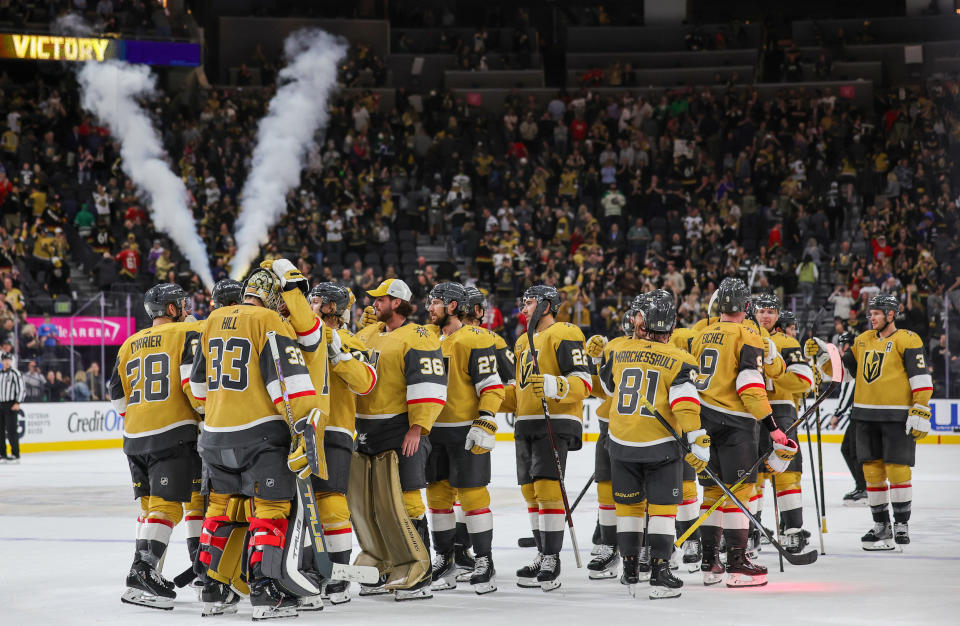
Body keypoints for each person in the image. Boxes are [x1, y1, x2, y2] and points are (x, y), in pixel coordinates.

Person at [189, 268, 327, 619]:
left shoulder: (213, 319)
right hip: (261, 438)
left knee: (221, 510)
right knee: (271, 511)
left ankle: (213, 588)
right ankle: (266, 590)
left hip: (215, 437)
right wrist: (303, 427)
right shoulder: (269, 320)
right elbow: (288, 383)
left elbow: (198, 388)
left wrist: (221, 412)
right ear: (273, 297)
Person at [599, 290, 706, 599]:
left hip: (620, 441)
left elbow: (607, 386)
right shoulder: (679, 358)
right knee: (661, 510)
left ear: (640, 321)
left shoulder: (618, 350)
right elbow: (685, 403)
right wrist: (697, 438)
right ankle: (659, 571)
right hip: (660, 445)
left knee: (629, 508)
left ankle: (630, 568)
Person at [806, 293, 933, 550]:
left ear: (890, 314)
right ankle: (881, 526)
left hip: (896, 416)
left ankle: (901, 524)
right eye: (870, 313)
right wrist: (822, 357)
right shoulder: (863, 340)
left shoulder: (908, 339)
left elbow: (920, 376)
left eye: (876, 313)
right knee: (872, 473)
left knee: (898, 471)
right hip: (864, 416)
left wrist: (920, 408)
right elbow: (845, 372)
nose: (871, 317)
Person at [109, 284, 203, 610]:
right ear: (173, 308)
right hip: (172, 432)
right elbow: (195, 387)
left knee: (150, 510)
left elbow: (117, 397)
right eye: (182, 304)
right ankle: (144, 572)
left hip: (134, 436)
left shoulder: (128, 343)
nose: (186, 308)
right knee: (169, 508)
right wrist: (204, 415)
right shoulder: (188, 334)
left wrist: (139, 415)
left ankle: (143, 573)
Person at [690, 277, 788, 587]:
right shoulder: (748, 335)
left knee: (713, 492)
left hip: (704, 421)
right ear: (747, 307)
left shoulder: (701, 335)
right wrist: (772, 427)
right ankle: (737, 564)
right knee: (740, 491)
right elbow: (749, 387)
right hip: (735, 423)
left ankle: (709, 561)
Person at [354, 278, 447, 601]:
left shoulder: (417, 337)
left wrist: (418, 427)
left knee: (406, 499)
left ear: (397, 302)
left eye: (380, 299)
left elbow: (431, 383)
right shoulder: (367, 335)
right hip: (365, 428)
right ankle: (385, 564)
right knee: (374, 503)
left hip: (400, 427)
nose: (374, 303)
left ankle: (418, 570)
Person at [300, 281, 377, 607]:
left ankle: (339, 575)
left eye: (317, 301)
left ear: (332, 307)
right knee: (300, 506)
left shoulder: (349, 340)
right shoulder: (297, 336)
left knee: (331, 503)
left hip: (333, 430)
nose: (312, 305)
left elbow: (367, 383)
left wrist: (339, 355)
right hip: (299, 430)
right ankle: (309, 569)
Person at [425, 282, 504, 594]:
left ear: (453, 306)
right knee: (437, 497)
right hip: (433, 429)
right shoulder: (427, 338)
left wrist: (485, 419)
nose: (429, 308)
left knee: (472, 495)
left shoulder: (474, 337)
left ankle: (484, 559)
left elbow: (492, 384)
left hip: (464, 429)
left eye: (434, 302)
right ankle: (445, 557)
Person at [513, 285, 591, 592]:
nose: (525, 309)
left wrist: (554, 385)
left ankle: (551, 558)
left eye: (530, 302)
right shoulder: (521, 341)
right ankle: (542, 551)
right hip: (525, 421)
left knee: (547, 489)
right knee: (530, 492)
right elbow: (520, 385)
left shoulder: (566, 333)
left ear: (547, 305)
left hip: (555, 420)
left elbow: (582, 380)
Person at [752, 295, 813, 554]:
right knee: (753, 476)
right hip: (750, 414)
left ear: (778, 316)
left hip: (781, 411)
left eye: (771, 311)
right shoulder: (743, 337)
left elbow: (803, 382)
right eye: (762, 311)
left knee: (786, 473)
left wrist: (775, 372)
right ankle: (752, 530)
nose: (766, 316)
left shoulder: (787, 342)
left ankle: (792, 530)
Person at [582, 303, 638, 581]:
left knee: (640, 492)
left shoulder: (660, 350)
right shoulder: (615, 346)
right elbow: (598, 388)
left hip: (641, 426)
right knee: (606, 488)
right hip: (609, 424)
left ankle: (645, 545)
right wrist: (595, 363)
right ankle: (608, 545)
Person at [829, 331, 866, 505]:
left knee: (852, 450)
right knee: (851, 450)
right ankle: (863, 486)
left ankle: (864, 488)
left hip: (860, 415)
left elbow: (849, 390)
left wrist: (837, 414)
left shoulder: (852, 361)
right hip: (861, 414)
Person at [0, 352, 24, 463]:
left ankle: (15, 454)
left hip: (11, 404)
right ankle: (2, 454)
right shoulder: (0, 373)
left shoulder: (15, 373)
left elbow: (21, 389)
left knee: (11, 431)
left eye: (8, 360)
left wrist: (18, 402)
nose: (6, 362)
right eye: (4, 360)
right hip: (0, 404)